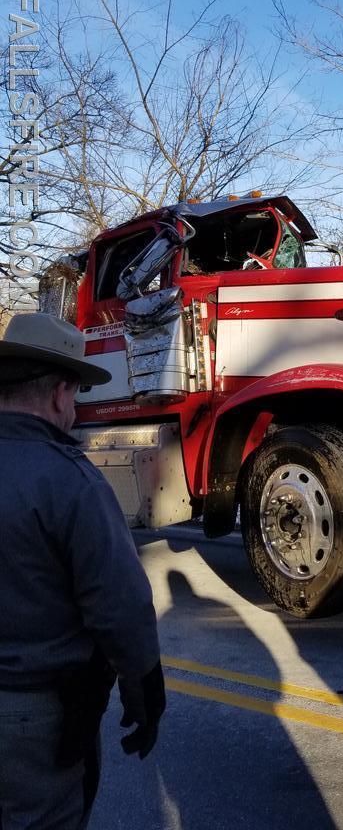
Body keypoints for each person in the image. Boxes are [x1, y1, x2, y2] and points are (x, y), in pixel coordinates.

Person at [0, 312, 166, 830]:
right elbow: (121, 608)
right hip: (34, 720)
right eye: (75, 397)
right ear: (60, 392)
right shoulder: (73, 484)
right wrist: (144, 688)